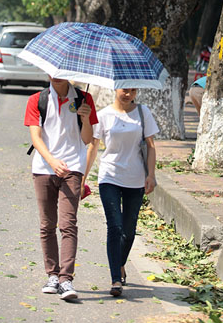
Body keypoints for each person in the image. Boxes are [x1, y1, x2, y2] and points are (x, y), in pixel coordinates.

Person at [24, 77, 98, 301]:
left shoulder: (85, 98)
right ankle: (52, 275)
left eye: (62, 72)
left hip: (73, 168)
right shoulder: (38, 100)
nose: (56, 75)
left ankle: (66, 279)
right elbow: (36, 138)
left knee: (68, 224)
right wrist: (51, 161)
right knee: (47, 225)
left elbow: (87, 139)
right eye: (52, 72)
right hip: (44, 168)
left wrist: (85, 119)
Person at [82, 88, 158, 297]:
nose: (128, 94)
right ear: (116, 88)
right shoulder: (104, 115)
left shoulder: (143, 112)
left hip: (135, 179)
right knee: (114, 227)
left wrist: (151, 175)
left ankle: (120, 263)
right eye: (125, 90)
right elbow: (93, 147)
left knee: (129, 230)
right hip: (110, 177)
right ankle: (116, 278)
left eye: (133, 90)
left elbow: (151, 146)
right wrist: (83, 177)